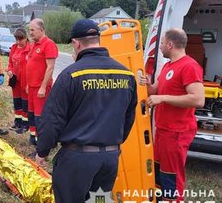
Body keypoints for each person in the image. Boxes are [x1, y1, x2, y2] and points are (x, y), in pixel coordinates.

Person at [36, 19, 138, 203]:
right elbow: (129, 118)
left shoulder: (71, 75)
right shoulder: (127, 75)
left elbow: (52, 120)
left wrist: (42, 151)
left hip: (77, 162)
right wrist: (112, 145)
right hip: (109, 161)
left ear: (76, 43)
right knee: (99, 201)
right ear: (98, 40)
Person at [140, 28, 204, 202]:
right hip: (163, 130)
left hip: (177, 132)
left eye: (161, 43)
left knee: (172, 177)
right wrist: (148, 85)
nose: (160, 47)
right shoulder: (168, 66)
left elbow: (198, 99)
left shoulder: (189, 66)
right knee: (160, 174)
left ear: (170, 44)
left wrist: (163, 98)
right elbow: (155, 90)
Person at [26, 18, 58, 145]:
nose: (31, 33)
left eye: (33, 30)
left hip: (41, 88)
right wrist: (29, 84)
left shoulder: (49, 44)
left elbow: (50, 67)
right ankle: (33, 138)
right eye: (30, 30)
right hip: (32, 87)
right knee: (32, 114)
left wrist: (43, 87)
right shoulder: (34, 45)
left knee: (41, 117)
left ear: (41, 30)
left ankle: (42, 144)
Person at [7, 28, 31, 134]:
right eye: (16, 39)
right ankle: (18, 122)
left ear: (26, 38)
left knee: (25, 103)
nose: (18, 42)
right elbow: (10, 63)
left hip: (25, 80)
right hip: (15, 80)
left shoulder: (30, 49)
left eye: (20, 39)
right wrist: (9, 70)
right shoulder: (14, 48)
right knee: (17, 102)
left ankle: (25, 125)